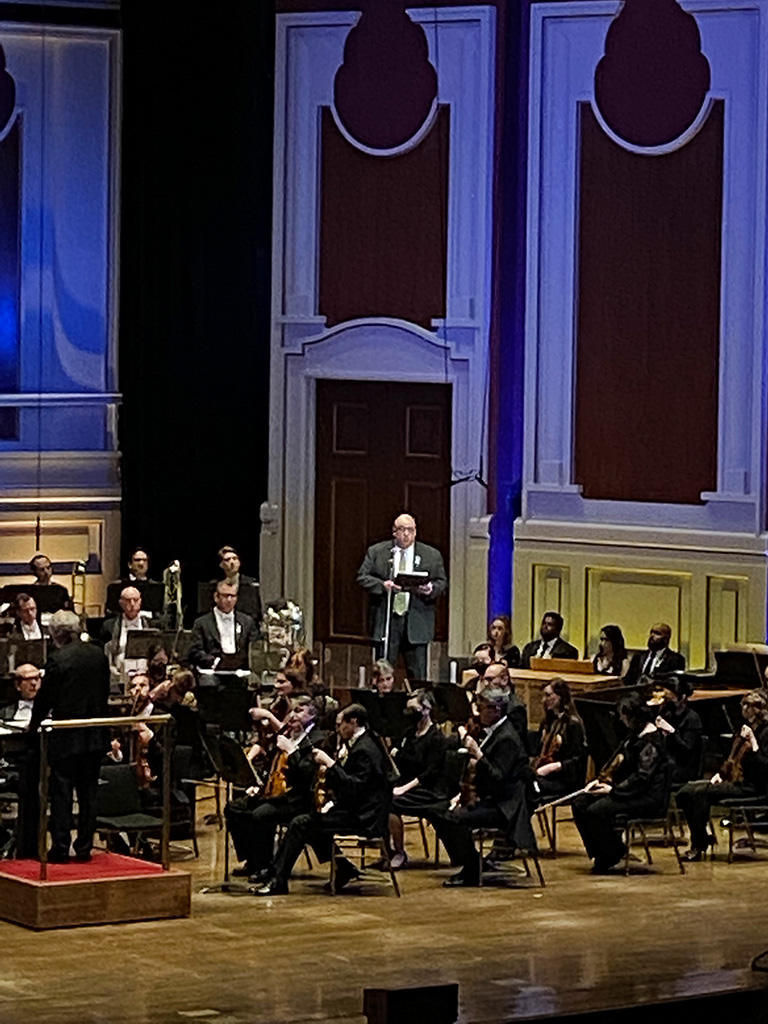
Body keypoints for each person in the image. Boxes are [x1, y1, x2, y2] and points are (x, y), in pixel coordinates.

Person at [256, 703, 390, 895]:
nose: (337, 729)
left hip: (365, 816)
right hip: (357, 808)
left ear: (352, 722)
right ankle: (343, 869)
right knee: (312, 821)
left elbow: (355, 787)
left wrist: (330, 763)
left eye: (339, 725)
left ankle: (278, 879)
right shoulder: (363, 742)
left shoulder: (365, 750)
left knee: (301, 824)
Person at [28, 610, 110, 862]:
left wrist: (34, 725)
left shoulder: (58, 658)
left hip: (67, 735)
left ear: (56, 634)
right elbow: (104, 691)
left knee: (62, 793)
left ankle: (61, 848)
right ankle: (85, 847)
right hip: (95, 733)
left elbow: (46, 698)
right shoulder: (98, 655)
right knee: (88, 794)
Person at [433, 687, 535, 887]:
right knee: (439, 812)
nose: (479, 713)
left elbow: (498, 778)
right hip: (492, 798)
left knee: (453, 819)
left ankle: (472, 868)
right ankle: (472, 862)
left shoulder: (508, 738)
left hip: (506, 806)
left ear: (496, 709)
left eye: (482, 708)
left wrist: (478, 755)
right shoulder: (496, 731)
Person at [226, 695, 327, 881]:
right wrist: (260, 786)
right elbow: (272, 766)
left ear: (312, 715)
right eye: (292, 712)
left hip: (299, 798)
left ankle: (266, 866)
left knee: (261, 815)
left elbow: (307, 774)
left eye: (299, 711)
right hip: (276, 793)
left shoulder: (319, 739)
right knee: (234, 808)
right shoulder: (289, 734)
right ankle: (252, 859)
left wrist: (292, 751)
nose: (293, 716)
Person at [572, 692, 669, 873]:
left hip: (647, 796)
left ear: (633, 716)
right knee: (580, 803)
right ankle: (603, 851)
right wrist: (599, 781)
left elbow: (642, 778)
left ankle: (610, 854)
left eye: (624, 716)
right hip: (628, 790)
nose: (622, 720)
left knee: (596, 811)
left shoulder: (651, 742)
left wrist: (612, 790)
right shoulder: (634, 736)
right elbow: (619, 762)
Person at [676, 691, 768, 861]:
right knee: (685, 792)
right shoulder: (745, 728)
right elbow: (732, 758)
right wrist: (720, 774)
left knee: (700, 794)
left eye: (746, 706)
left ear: (756, 710)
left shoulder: (765, 732)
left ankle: (698, 843)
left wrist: (754, 743)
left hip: (753, 786)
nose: (743, 710)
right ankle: (702, 835)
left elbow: (764, 766)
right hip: (735, 781)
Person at [357, 512, 448, 681]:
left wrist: (430, 589)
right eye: (402, 529)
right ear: (394, 532)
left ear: (416, 532)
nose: (406, 534)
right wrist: (383, 586)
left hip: (416, 620)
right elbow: (363, 577)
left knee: (418, 676)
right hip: (387, 620)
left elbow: (442, 583)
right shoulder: (377, 551)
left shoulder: (431, 555)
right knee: (383, 673)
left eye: (410, 530)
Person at [388, 689, 446, 868]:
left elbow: (430, 773)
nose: (409, 714)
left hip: (427, 790)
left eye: (413, 710)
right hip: (405, 784)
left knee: (391, 803)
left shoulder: (436, 738)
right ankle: (387, 851)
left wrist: (403, 789)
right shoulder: (409, 733)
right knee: (379, 798)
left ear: (426, 709)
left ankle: (399, 852)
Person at [532, 679, 588, 803]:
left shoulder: (573, 724)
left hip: (563, 779)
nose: (543, 700)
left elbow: (578, 760)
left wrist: (554, 767)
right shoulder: (547, 722)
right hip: (544, 774)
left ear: (561, 697)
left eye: (548, 695)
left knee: (527, 788)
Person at [189, 580, 258, 670]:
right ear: (216, 597)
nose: (229, 600)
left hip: (241, 670)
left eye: (232, 596)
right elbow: (195, 651)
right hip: (212, 670)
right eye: (225, 596)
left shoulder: (247, 622)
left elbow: (255, 648)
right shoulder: (201, 623)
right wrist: (215, 662)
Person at [652, 677, 702, 786]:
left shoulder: (692, 719)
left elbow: (686, 751)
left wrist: (671, 731)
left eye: (670, 700)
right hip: (668, 762)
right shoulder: (668, 714)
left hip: (683, 767)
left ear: (682, 697)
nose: (666, 703)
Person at [101, 585, 146, 687]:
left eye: (135, 600)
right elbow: (106, 653)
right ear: (121, 603)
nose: (132, 604)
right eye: (128, 600)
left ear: (140, 601)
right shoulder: (109, 625)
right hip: (119, 674)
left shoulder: (151, 623)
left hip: (145, 675)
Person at [478, 661, 528, 749]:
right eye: (485, 679)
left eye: (490, 679)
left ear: (504, 680)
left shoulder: (516, 708)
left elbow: (515, 741)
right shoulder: (486, 700)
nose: (486, 684)